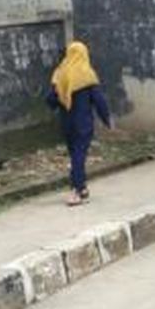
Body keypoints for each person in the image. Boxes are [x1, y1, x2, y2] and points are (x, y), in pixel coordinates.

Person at [46, 41, 111, 206]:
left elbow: (50, 100)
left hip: (66, 123)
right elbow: (99, 101)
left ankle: (81, 189)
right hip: (83, 124)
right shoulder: (87, 74)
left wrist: (62, 99)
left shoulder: (60, 74)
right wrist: (106, 120)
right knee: (79, 156)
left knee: (75, 155)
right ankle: (77, 190)